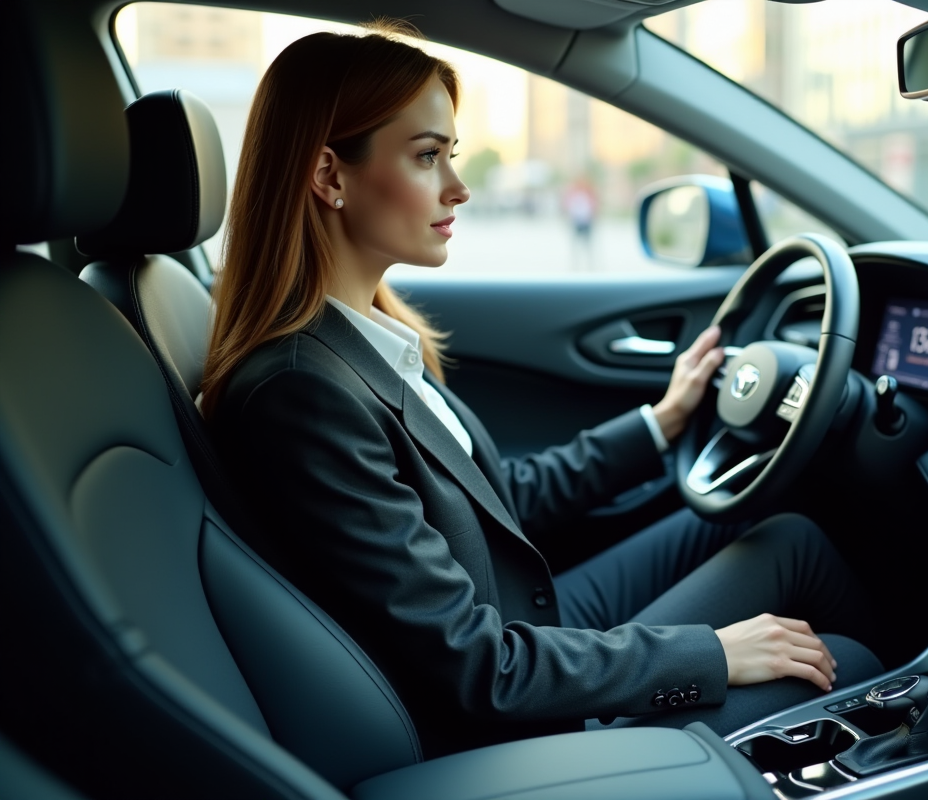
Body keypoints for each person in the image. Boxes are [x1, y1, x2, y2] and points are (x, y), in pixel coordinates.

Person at [203, 22, 880, 759]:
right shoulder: (303, 393)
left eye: (450, 156)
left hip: (523, 623)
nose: (459, 188)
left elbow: (496, 503)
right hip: (515, 712)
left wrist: (662, 420)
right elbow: (477, 669)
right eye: (428, 156)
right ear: (330, 176)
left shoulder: (365, 335)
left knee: (790, 540)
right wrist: (713, 656)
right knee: (850, 662)